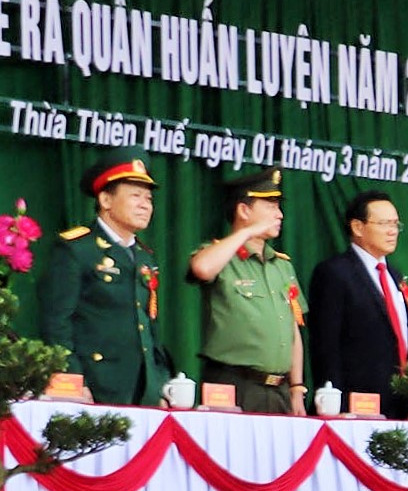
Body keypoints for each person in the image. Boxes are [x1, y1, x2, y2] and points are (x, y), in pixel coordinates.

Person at [33, 157, 173, 407]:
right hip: (95, 388)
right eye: (135, 196)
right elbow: (57, 323)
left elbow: (150, 327)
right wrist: (72, 380)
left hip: (144, 392)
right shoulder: (76, 248)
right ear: (106, 200)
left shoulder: (144, 256)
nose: (145, 206)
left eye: (148, 199)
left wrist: (160, 381)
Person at [186, 167, 304, 415]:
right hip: (233, 384)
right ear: (244, 210)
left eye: (278, 206)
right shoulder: (220, 254)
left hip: (279, 389)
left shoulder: (282, 265)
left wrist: (296, 388)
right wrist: (247, 232)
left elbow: (293, 330)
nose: (279, 215)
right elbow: (202, 268)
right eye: (271, 206)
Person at [309, 188, 408, 416]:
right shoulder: (334, 273)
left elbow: (403, 343)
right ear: (357, 227)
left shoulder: (395, 276)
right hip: (354, 405)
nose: (392, 232)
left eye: (396, 225)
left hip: (396, 407)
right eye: (384, 224)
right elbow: (326, 345)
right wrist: (333, 405)